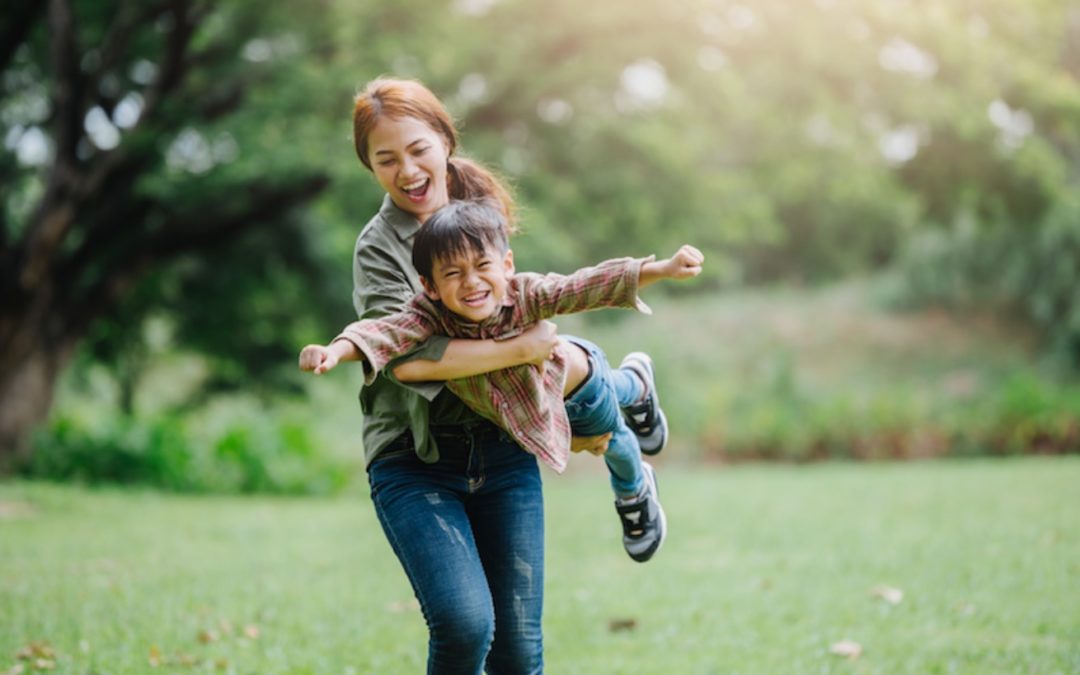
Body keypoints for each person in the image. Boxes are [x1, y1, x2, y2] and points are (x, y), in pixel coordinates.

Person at [318, 76, 669, 674]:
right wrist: (526, 349)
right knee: (463, 624)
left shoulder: (475, 207)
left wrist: (647, 273)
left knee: (517, 650)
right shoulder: (379, 247)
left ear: (445, 141)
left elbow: (544, 296)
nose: (406, 170)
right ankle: (629, 399)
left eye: (418, 149)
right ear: (369, 167)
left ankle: (628, 407)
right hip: (418, 457)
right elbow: (413, 360)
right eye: (386, 159)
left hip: (502, 443)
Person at [300, 200, 704, 562]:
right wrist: (334, 351)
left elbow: (584, 285)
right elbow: (382, 332)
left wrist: (661, 269)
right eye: (453, 273)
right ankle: (637, 383)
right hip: (546, 395)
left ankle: (634, 491)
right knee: (617, 398)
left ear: (506, 264)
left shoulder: (526, 294)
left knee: (613, 440)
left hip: (576, 386)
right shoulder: (427, 317)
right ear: (429, 286)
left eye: (482, 266)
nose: (471, 282)